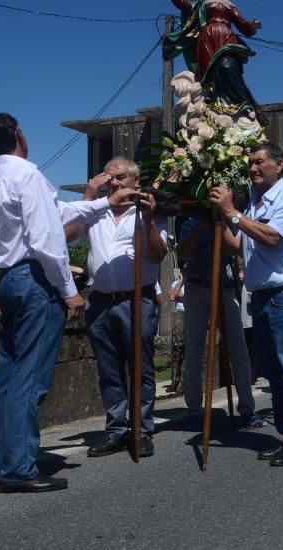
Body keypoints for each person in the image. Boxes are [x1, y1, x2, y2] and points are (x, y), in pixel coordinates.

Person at [0, 113, 136, 493]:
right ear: (18, 134)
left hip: (8, 279)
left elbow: (57, 213)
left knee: (8, 374)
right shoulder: (28, 174)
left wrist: (103, 201)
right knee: (30, 378)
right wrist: (69, 290)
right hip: (33, 279)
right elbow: (47, 239)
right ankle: (19, 468)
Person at [209, 143, 283, 467]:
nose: (253, 168)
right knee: (274, 372)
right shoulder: (254, 203)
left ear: (279, 166)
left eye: (259, 162)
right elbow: (238, 245)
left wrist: (231, 213)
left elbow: (272, 238)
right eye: (250, 163)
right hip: (261, 297)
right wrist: (221, 220)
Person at [66, 157, 168, 459]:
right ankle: (116, 429)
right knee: (109, 370)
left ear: (135, 181)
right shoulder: (96, 211)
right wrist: (87, 196)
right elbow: (68, 238)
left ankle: (142, 429)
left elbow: (158, 254)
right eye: (109, 178)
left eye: (121, 177)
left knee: (140, 367)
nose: (115, 183)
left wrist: (148, 219)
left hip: (136, 297)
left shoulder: (148, 210)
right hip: (100, 300)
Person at [177, 216, 264, 431]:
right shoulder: (190, 222)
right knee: (195, 349)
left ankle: (247, 409)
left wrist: (221, 225)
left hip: (225, 287)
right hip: (197, 286)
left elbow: (236, 249)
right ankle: (194, 409)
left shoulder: (230, 220)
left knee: (238, 350)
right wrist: (201, 227)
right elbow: (182, 253)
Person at [154, 0, 263, 121]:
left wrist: (252, 25)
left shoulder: (230, 6)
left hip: (227, 38)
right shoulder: (203, 3)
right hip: (208, 39)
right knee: (210, 74)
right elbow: (183, 3)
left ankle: (241, 104)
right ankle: (213, 103)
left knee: (229, 67)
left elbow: (242, 24)